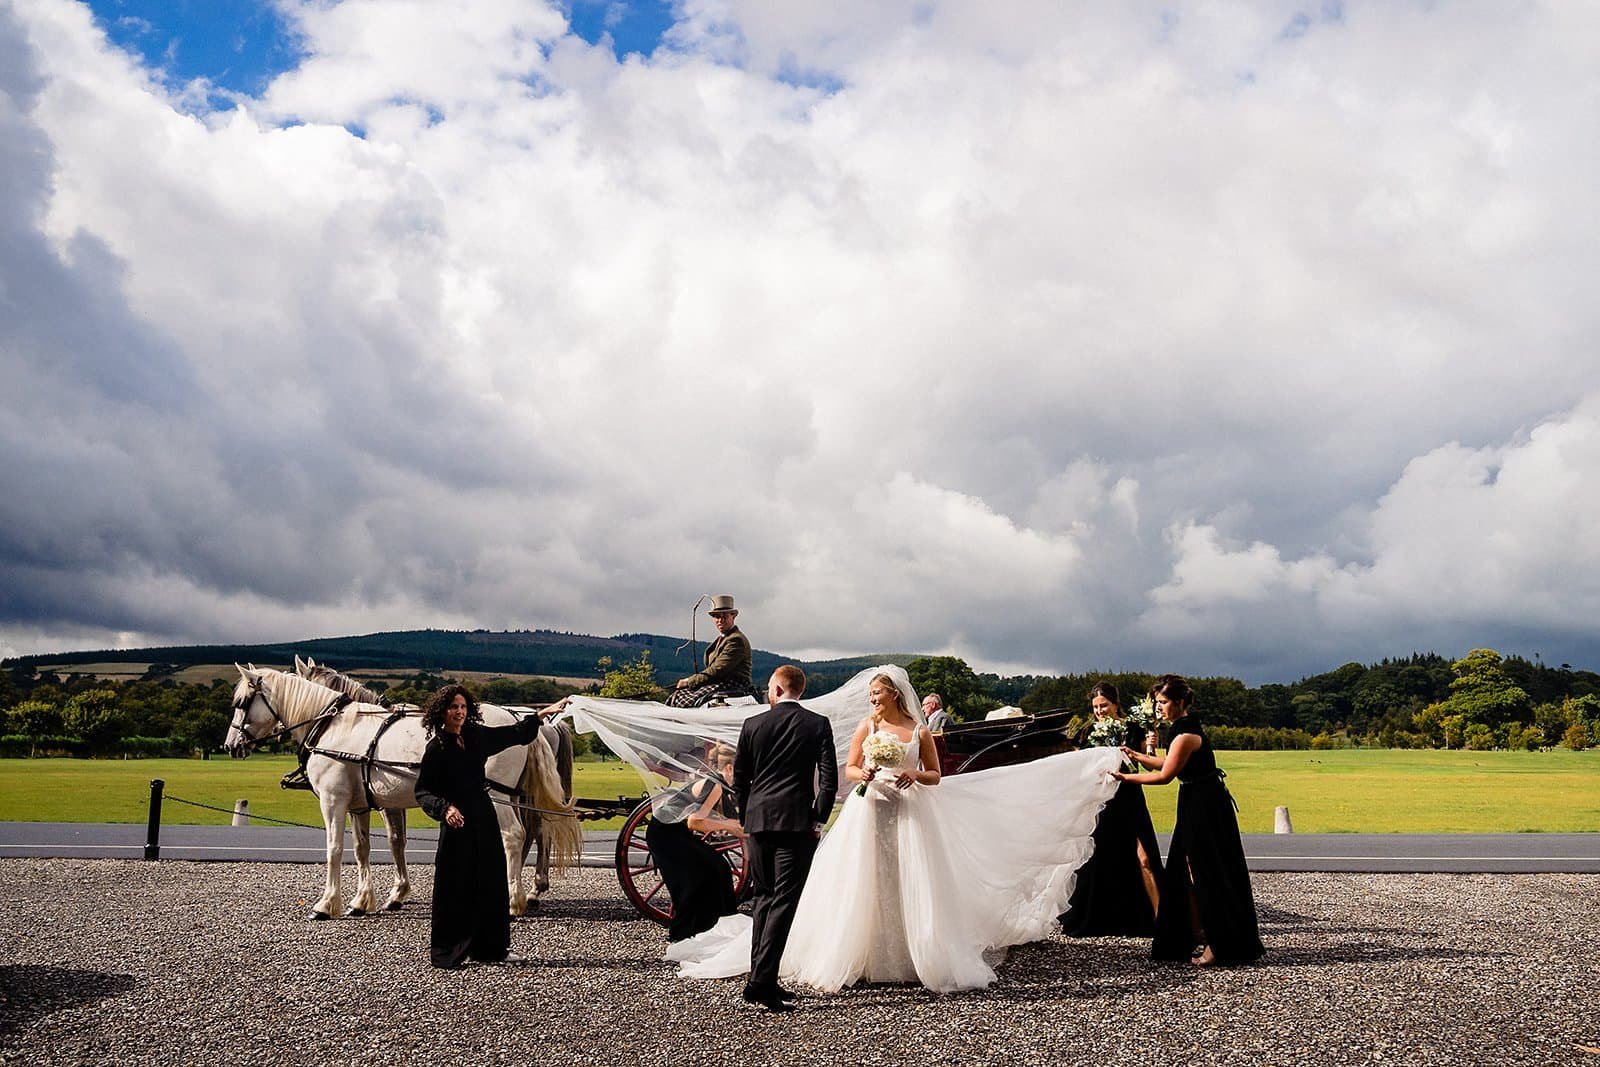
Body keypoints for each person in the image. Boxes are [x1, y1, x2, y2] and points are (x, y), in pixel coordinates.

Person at [666, 667, 1121, 994]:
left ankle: (911, 954)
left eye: (877, 697)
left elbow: (936, 775)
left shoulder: (918, 730)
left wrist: (913, 776)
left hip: (909, 807)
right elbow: (846, 767)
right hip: (871, 808)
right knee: (862, 879)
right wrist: (863, 774)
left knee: (911, 877)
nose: (872, 703)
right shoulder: (866, 726)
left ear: (895, 696)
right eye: (870, 698)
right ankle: (852, 954)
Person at [1113, 674, 1264, 966]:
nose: (1159, 708)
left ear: (1180, 702)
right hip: (1196, 802)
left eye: (1164, 702)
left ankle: (1217, 943)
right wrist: (1136, 755)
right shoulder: (1181, 730)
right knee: (1191, 871)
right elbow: (1168, 762)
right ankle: (1200, 933)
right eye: (1157, 703)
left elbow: (1165, 776)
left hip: (1204, 807)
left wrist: (1125, 777)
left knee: (1205, 872)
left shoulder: (1185, 735)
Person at [727, 665, 837, 1010]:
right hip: (796, 823)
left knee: (763, 898)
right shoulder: (817, 724)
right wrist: (817, 815)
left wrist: (748, 815)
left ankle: (762, 978)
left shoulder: (752, 724)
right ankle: (761, 982)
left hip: (758, 822)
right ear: (799, 690)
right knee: (784, 902)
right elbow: (828, 779)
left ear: (775, 689)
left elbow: (740, 779)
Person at [413, 683, 545, 969]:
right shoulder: (436, 749)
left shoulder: (475, 736)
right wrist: (444, 808)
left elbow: (512, 735)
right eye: (453, 708)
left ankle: (492, 948)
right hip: (457, 823)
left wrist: (540, 715)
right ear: (442, 712)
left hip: (483, 816)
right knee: (455, 885)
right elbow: (423, 791)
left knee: (491, 882)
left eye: (462, 707)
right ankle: (448, 951)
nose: (459, 712)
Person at [1059, 681, 1163, 937]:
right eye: (1095, 707)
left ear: (1116, 703)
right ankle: (1101, 918)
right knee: (1098, 858)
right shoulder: (1087, 732)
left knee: (1144, 858)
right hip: (1101, 801)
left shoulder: (1134, 728)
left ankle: (1162, 919)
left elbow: (1149, 766)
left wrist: (1150, 744)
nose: (1099, 711)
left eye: (1103, 705)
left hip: (1129, 799)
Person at [645, 742, 743, 942]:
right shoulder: (714, 784)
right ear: (730, 768)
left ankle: (713, 924)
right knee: (697, 878)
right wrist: (729, 825)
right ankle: (687, 931)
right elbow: (695, 821)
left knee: (717, 867)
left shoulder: (715, 782)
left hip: (673, 832)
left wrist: (734, 825)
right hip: (665, 834)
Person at [667, 595, 754, 708]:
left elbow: (718, 670)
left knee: (685, 701)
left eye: (724, 616)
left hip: (732, 684)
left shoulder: (736, 640)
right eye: (717, 617)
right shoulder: (723, 639)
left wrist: (689, 681)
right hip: (719, 682)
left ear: (733, 616)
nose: (720, 620)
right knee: (677, 696)